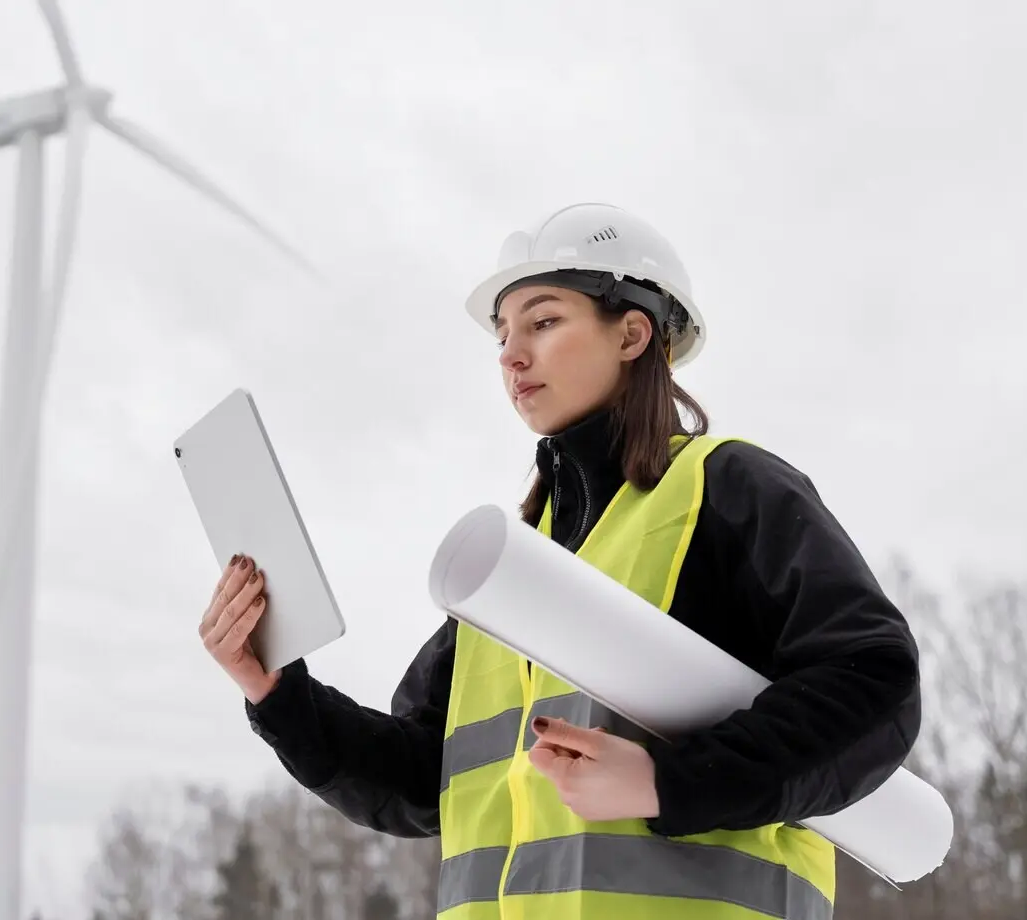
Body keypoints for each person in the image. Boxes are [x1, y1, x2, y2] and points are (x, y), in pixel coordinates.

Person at [198, 202, 922, 920]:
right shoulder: (513, 569)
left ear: (633, 332)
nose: (512, 355)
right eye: (503, 336)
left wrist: (669, 781)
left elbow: (875, 686)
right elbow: (424, 782)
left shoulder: (727, 491)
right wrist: (277, 694)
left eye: (543, 322)